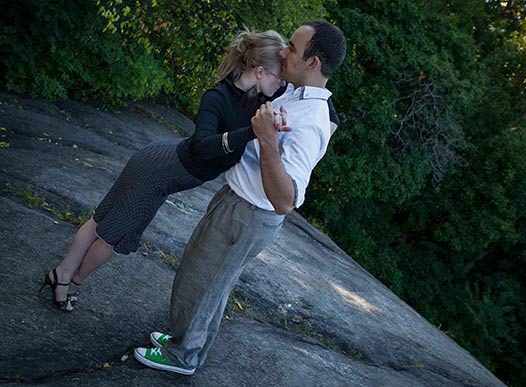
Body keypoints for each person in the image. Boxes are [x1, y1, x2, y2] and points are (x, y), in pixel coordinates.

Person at [39, 28, 338, 312]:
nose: (284, 86)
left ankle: (61, 275)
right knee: (112, 235)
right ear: (260, 72)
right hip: (156, 171)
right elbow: (201, 147)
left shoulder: (260, 98)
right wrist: (253, 132)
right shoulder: (217, 97)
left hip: (162, 169)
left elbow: (321, 103)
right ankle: (68, 281)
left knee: (102, 225)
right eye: (279, 77)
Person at [133, 20, 347, 375]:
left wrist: (265, 139)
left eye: (292, 48)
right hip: (238, 203)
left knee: (199, 282)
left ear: (313, 63)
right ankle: (187, 343)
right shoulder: (296, 93)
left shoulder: (311, 121)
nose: (283, 51)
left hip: (249, 212)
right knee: (212, 283)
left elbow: (286, 200)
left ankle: (182, 356)